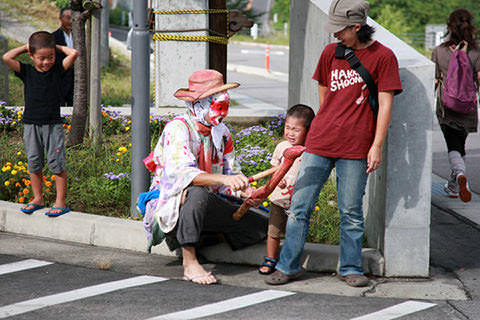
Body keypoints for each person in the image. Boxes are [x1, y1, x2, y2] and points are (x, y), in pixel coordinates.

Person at [265, 0, 402, 287]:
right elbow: (324, 89)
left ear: (356, 26)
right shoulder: (331, 52)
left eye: (340, 30)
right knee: (299, 208)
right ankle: (288, 266)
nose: (334, 35)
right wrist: (331, 120)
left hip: (355, 148)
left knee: (350, 211)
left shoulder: (383, 57)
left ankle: (350, 268)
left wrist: (376, 145)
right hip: (319, 143)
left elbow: (386, 105)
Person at [141, 70, 268, 285]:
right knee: (196, 192)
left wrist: (244, 189)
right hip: (176, 201)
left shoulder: (222, 132)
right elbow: (183, 175)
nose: (223, 114)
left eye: (225, 107)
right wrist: (224, 180)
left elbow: (231, 172)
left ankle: (203, 236)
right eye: (219, 107)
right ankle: (190, 261)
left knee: (263, 225)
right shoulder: (177, 129)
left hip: (211, 202)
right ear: (198, 104)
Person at [2, 31, 78, 216]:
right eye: (41, 58)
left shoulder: (58, 70)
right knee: (34, 162)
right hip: (31, 124)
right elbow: (6, 57)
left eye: (50, 57)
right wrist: (27, 46)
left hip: (52, 124)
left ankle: (60, 201)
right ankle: (38, 198)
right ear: (31, 56)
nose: (46, 62)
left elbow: (73, 53)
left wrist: (56, 47)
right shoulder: (26, 71)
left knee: (56, 163)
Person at [258, 104, 315, 275]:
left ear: (308, 130)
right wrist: (278, 179)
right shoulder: (281, 147)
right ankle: (270, 258)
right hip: (278, 198)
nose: (290, 133)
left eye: (296, 130)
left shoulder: (309, 151)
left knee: (294, 231)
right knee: (273, 231)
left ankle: (289, 259)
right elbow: (274, 168)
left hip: (297, 200)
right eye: (287, 128)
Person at [432, 9, 480, 203]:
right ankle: (454, 183)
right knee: (460, 142)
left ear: (449, 27)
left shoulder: (440, 52)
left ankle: (460, 176)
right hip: (468, 106)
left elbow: (435, 80)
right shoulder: (476, 52)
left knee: (453, 144)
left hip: (447, 105)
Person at [52, 7, 74, 106]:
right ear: (61, 18)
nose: (70, 21)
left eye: (72, 19)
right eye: (68, 18)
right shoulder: (53, 37)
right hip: (60, 79)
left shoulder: (79, 38)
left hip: (75, 80)